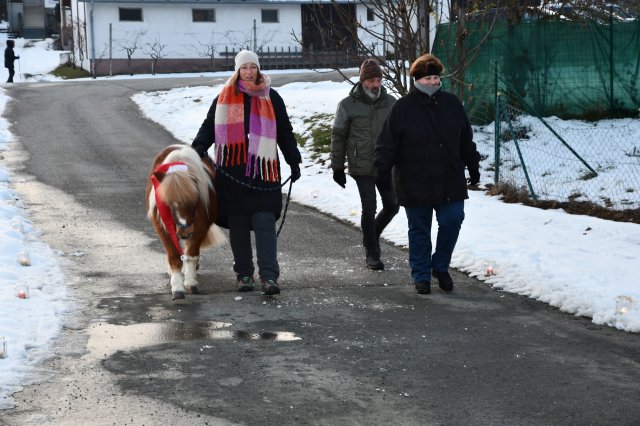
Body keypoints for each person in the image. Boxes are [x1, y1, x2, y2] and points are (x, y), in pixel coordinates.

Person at [192, 50, 302, 295]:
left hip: (264, 173)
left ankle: (269, 277)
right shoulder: (223, 98)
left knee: (264, 224)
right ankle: (243, 275)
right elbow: (209, 125)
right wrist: (199, 145)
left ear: (259, 69)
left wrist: (293, 160)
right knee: (239, 226)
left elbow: (284, 131)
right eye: (245, 68)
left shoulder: (272, 97)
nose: (250, 72)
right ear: (238, 71)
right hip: (232, 173)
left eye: (253, 67)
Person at [375, 53, 481, 295]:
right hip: (414, 179)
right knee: (419, 228)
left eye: (436, 77)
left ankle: (440, 266)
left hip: (449, 178)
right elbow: (387, 143)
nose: (434, 82)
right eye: (428, 78)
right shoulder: (402, 108)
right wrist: (382, 171)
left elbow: (466, 140)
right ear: (417, 80)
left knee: (452, 220)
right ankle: (421, 275)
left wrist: (473, 165)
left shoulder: (452, 104)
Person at [331, 58, 398, 271]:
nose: (375, 84)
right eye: (371, 80)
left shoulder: (391, 103)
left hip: (386, 165)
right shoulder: (347, 105)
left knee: (393, 206)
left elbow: (400, 134)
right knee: (369, 207)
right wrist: (337, 167)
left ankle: (371, 236)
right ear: (362, 81)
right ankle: (372, 254)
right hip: (361, 164)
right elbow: (338, 136)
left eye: (378, 79)